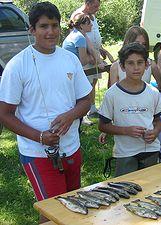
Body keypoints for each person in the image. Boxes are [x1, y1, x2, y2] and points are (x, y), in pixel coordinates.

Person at [0, 2, 92, 223]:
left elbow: (86, 100)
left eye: (54, 25)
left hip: (72, 147)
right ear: (31, 30)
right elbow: (4, 114)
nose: (50, 32)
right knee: (53, 212)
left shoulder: (69, 59)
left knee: (73, 207)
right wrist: (40, 137)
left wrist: (71, 115)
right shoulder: (17, 65)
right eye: (43, 26)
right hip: (38, 153)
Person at [98, 42, 161, 177]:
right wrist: (125, 131)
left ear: (146, 65)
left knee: (151, 189)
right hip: (125, 153)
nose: (136, 68)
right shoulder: (112, 94)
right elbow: (102, 125)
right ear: (122, 66)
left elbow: (158, 120)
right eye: (130, 63)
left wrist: (156, 132)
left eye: (140, 63)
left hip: (151, 149)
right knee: (125, 190)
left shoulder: (153, 92)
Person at [71, 0, 114, 119]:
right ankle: (82, 113)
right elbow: (77, 39)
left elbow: (95, 35)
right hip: (85, 56)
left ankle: (92, 108)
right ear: (87, 4)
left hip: (94, 54)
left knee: (93, 82)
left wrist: (101, 50)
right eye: (95, 6)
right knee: (84, 85)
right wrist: (90, 57)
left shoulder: (92, 16)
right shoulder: (78, 15)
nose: (97, 8)